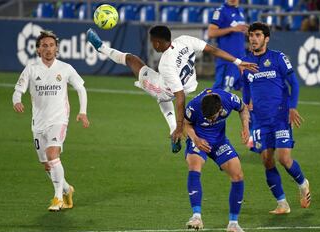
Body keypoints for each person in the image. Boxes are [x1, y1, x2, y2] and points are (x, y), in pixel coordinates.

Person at [86, 26, 257, 153]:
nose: (152, 44)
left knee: (132, 60)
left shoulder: (166, 64)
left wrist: (180, 127)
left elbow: (180, 97)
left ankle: (101, 47)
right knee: (165, 92)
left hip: (169, 89)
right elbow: (212, 49)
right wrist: (237, 62)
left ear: (158, 43)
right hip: (190, 84)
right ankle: (172, 129)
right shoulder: (184, 40)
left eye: (152, 41)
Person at [12, 30, 90, 211]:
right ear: (38, 50)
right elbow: (18, 90)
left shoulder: (65, 68)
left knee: (53, 155)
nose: (48, 49)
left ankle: (57, 198)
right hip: (38, 123)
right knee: (47, 165)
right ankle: (66, 189)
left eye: (52, 45)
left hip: (59, 119)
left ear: (57, 49)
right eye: (44, 46)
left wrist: (83, 111)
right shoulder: (31, 69)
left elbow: (81, 88)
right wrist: (16, 100)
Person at [241, 22, 311, 214]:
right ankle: (282, 203)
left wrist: (292, 107)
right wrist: (246, 118)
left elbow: (294, 84)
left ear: (266, 38)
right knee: (266, 160)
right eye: (251, 35)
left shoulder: (278, 58)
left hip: (280, 116)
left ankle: (303, 183)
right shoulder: (245, 64)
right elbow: (246, 92)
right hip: (259, 120)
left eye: (257, 35)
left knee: (284, 158)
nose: (253, 39)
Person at [183, 88, 249, 232]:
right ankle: (196, 217)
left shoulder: (229, 100)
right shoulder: (194, 106)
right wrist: (195, 139)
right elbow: (186, 124)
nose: (210, 120)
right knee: (195, 166)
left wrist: (245, 126)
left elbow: (243, 109)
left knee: (237, 175)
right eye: (207, 118)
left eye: (212, 117)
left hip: (219, 142)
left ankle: (233, 223)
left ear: (220, 108)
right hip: (199, 140)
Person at [208, 0, 248, 92]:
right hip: (227, 59)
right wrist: (232, 29)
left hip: (241, 59)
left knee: (248, 91)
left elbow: (238, 30)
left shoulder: (240, 10)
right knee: (221, 91)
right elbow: (211, 33)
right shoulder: (220, 11)